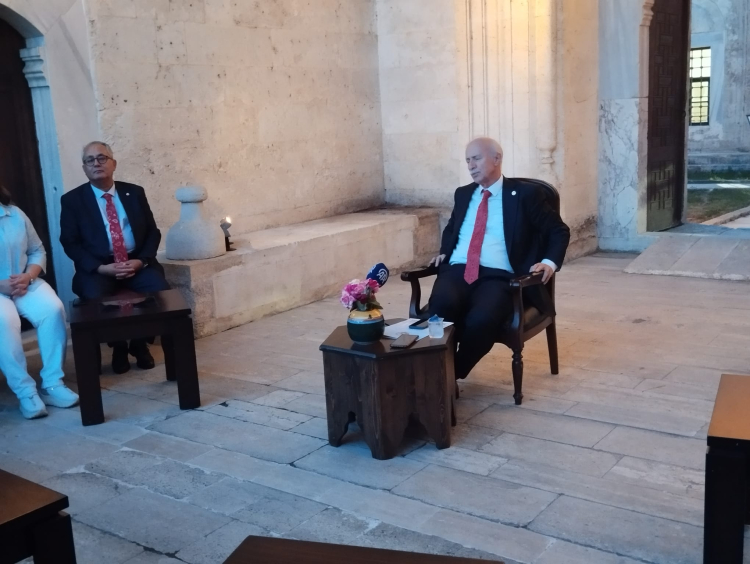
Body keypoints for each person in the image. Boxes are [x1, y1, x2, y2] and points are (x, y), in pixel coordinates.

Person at [428, 137, 570, 381]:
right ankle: (434, 371)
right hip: (458, 270)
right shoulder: (463, 194)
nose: (471, 165)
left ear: (497, 158)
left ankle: (449, 376)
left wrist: (549, 262)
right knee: (440, 309)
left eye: (476, 158)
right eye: (467, 160)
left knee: (481, 320)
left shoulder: (526, 194)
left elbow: (558, 230)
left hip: (500, 277)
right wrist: (445, 251)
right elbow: (452, 228)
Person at [60, 141, 169, 374]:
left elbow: (153, 232)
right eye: (90, 160)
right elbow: (70, 242)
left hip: (136, 262)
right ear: (84, 168)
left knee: (160, 291)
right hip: (99, 268)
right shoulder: (72, 200)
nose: (96, 163)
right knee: (93, 295)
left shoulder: (134, 192)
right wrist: (100, 268)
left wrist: (141, 261)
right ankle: (118, 345)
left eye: (102, 158)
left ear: (114, 163)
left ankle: (139, 343)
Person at [0, 184, 79, 419]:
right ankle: (26, 392)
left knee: (52, 309)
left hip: (25, 282)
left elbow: (37, 250)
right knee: (4, 321)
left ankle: (52, 384)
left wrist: (29, 276)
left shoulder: (15, 214)